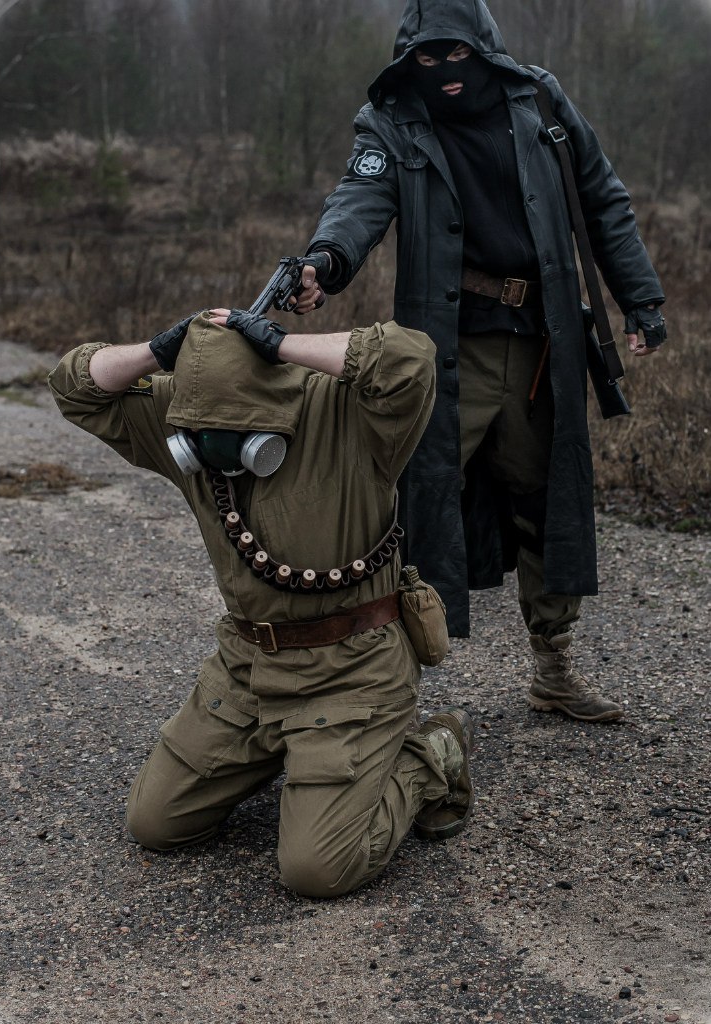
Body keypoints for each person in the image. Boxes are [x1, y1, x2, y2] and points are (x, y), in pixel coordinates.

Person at [294, 0, 667, 723]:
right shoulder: (393, 119)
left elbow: (603, 198)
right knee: (412, 506)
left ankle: (553, 668)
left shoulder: (538, 100)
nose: (444, 70)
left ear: (484, 48)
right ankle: (382, 685)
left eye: (457, 54)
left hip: (540, 345)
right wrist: (325, 261)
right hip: (445, 347)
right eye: (427, 57)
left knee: (545, 500)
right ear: (409, 61)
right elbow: (360, 198)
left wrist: (641, 299)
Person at [48, 307, 475, 899]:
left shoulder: (348, 412)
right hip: (248, 668)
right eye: (200, 434)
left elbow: (411, 357)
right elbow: (73, 386)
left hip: (352, 672)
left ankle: (430, 754)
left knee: (317, 871)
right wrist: (159, 351)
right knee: (154, 823)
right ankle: (297, 762)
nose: (211, 447)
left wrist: (280, 345)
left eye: (233, 433)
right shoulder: (183, 418)